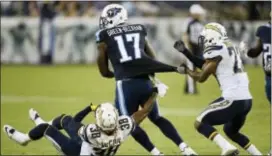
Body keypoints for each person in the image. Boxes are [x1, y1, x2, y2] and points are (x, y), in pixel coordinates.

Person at [96, 3, 196, 155]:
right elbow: (152, 57)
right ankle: (185, 148)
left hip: (126, 84)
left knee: (127, 123)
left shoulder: (103, 35)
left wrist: (114, 73)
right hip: (145, 82)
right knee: (156, 117)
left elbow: (103, 71)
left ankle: (156, 153)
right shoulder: (139, 28)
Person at [174, 22, 262, 155]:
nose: (203, 41)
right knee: (231, 131)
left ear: (212, 36)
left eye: (205, 37)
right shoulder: (230, 46)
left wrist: (187, 71)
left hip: (232, 98)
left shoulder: (215, 50)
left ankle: (226, 147)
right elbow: (206, 64)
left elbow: (202, 77)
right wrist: (186, 52)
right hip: (247, 100)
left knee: (200, 122)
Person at [3, 88, 158, 156]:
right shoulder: (124, 126)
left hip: (78, 153)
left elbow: (75, 121)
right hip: (94, 149)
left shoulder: (92, 132)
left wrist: (88, 108)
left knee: (48, 127)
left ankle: (25, 138)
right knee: (64, 119)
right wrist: (154, 94)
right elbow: (143, 112)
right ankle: (40, 125)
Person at [240, 20, 271, 155]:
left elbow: (255, 52)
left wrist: (245, 49)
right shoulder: (264, 30)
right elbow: (255, 52)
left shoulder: (264, 29)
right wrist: (246, 50)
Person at [182, 4, 206, 95]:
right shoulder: (188, 22)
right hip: (191, 48)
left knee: (195, 68)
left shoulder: (200, 22)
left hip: (198, 48)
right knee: (191, 67)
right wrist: (187, 48)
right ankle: (191, 90)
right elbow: (185, 35)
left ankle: (188, 88)